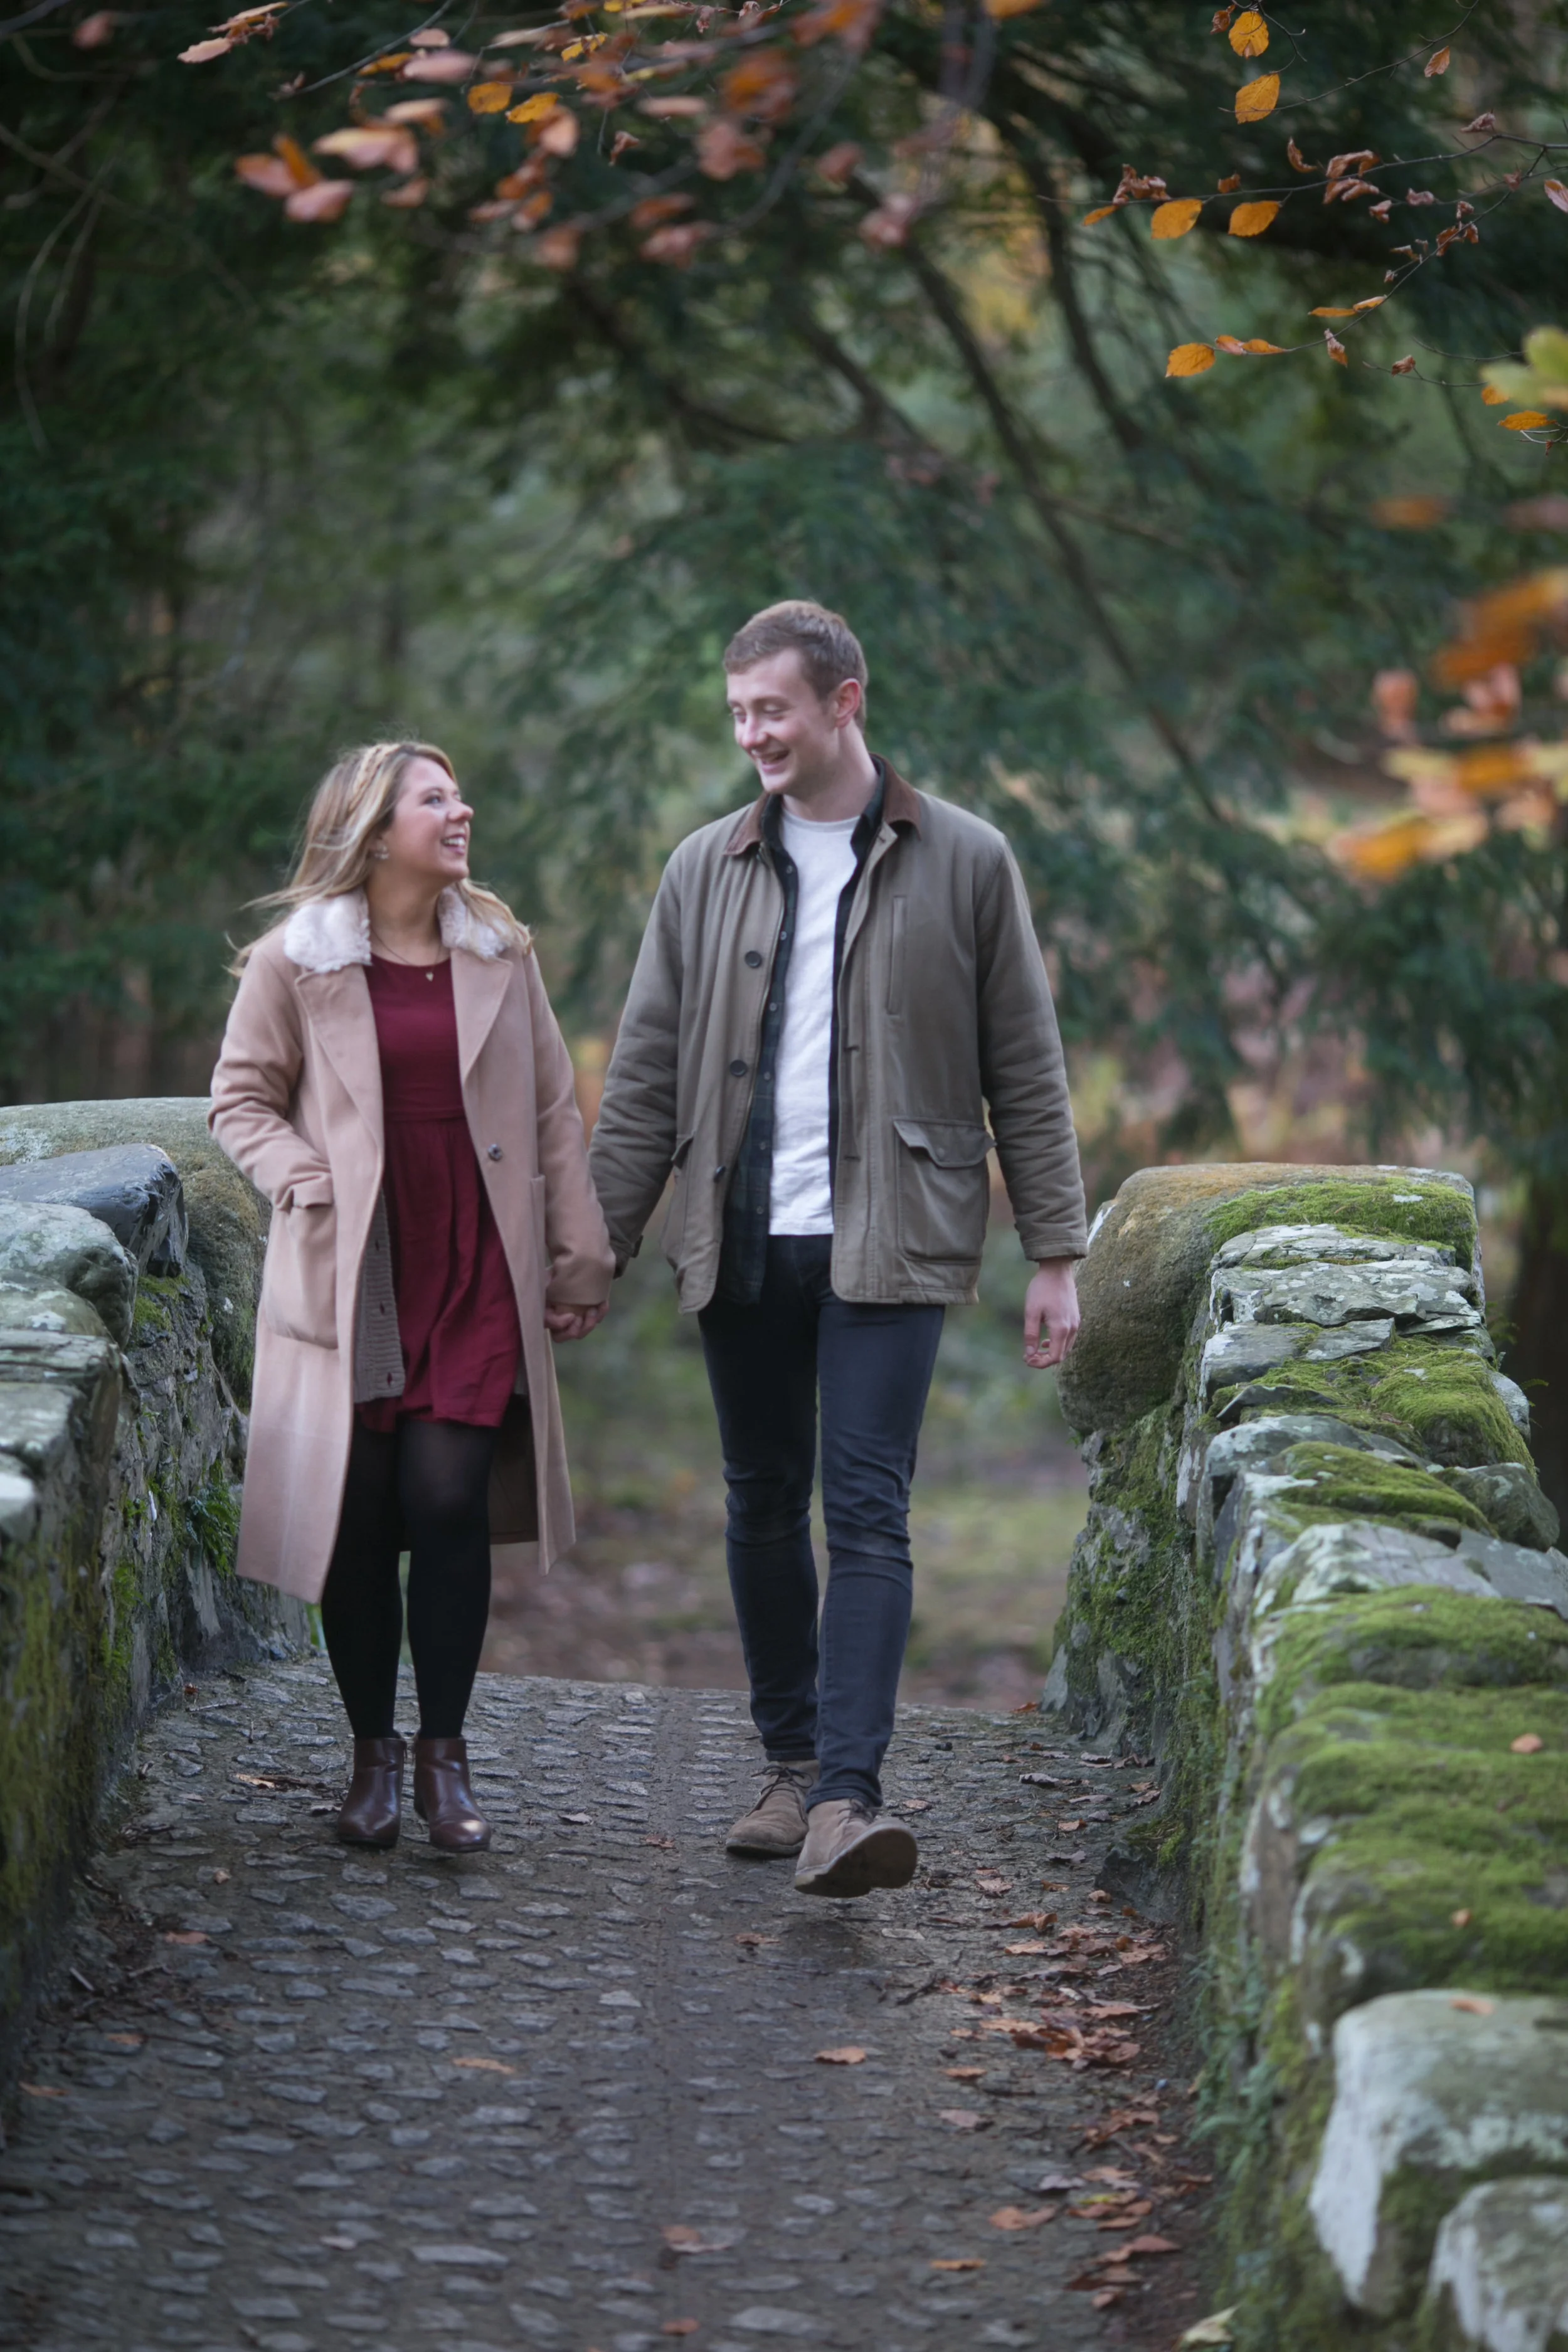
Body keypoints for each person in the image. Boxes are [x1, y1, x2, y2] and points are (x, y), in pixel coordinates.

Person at [589, 601, 1086, 1900]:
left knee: (865, 1506)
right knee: (759, 1497)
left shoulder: (965, 859)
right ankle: (788, 1763)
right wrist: (593, 1238)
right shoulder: (703, 866)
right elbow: (643, 1069)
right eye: (738, 711)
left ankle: (845, 1803)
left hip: (894, 1232)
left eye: (773, 709)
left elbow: (1024, 1068)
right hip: (740, 1234)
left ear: (844, 702)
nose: (752, 732)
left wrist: (1055, 1250)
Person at [211, 741, 612, 1852]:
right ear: (375, 830)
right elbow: (239, 1099)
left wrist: (578, 1259)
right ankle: (371, 1760)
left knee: (445, 1497)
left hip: (478, 1257)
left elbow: (549, 1118)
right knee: (360, 1514)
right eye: (434, 798)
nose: (461, 808)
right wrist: (304, 1179)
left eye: (458, 793)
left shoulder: (500, 950)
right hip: (358, 1267)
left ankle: (446, 1757)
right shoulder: (298, 961)